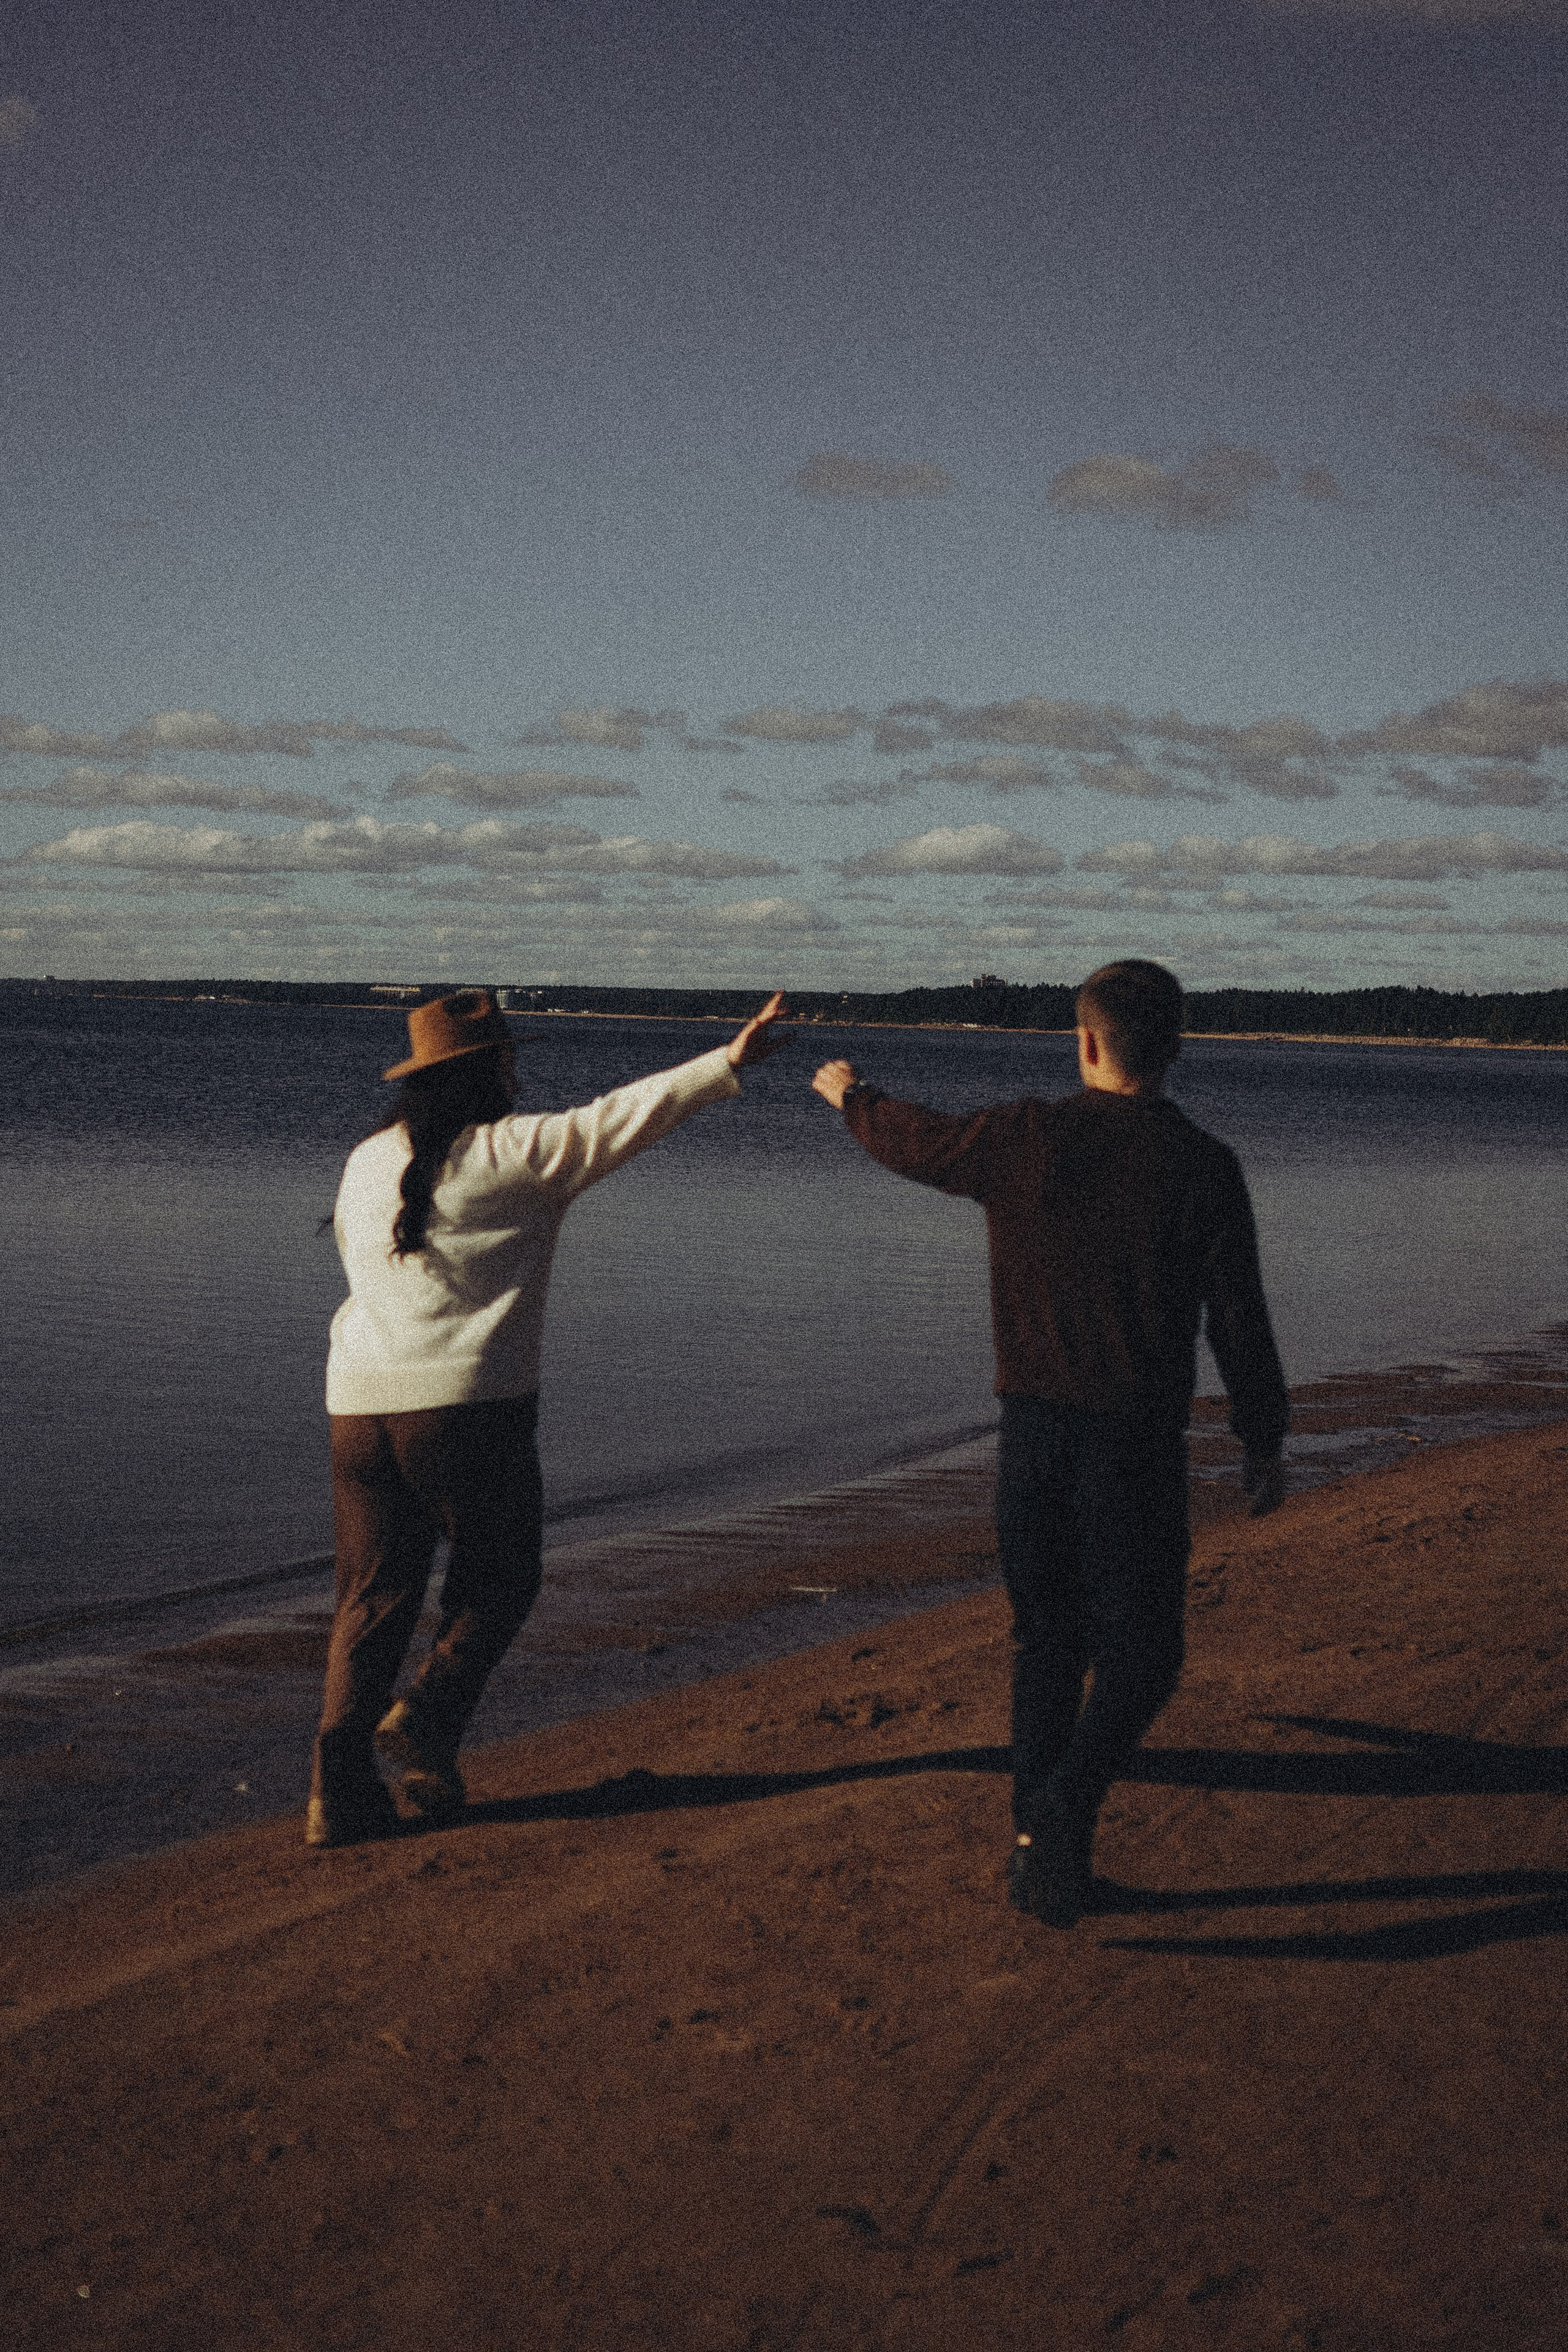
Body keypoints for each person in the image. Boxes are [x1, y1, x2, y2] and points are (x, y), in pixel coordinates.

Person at [810, 959, 1287, 1928]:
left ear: (1085, 1041)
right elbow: (1238, 1320)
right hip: (1132, 1446)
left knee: (1050, 1645)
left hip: (1032, 1439)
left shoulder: (1028, 1138)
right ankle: (1059, 1825)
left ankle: (1045, 1842)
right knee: (1141, 1657)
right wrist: (1261, 1439)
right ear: (1178, 1047)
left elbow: (919, 1144)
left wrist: (851, 1095)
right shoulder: (1204, 1166)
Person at [308, 984, 787, 1848]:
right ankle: (428, 1717)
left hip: (356, 1406)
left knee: (370, 1601)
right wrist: (729, 1062)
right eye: (510, 1059)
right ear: (494, 1068)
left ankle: (337, 1797)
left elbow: (357, 1261)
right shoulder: (516, 1153)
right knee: (500, 1580)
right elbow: (626, 1115)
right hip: (467, 1409)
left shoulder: (365, 1160)